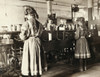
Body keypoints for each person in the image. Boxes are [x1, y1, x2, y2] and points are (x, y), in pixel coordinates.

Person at [19, 5, 43, 77]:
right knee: (37, 60)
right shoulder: (40, 24)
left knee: (30, 59)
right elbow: (41, 33)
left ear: (27, 14)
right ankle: (36, 74)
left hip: (30, 43)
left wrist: (22, 37)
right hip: (38, 42)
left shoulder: (26, 23)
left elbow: (23, 36)